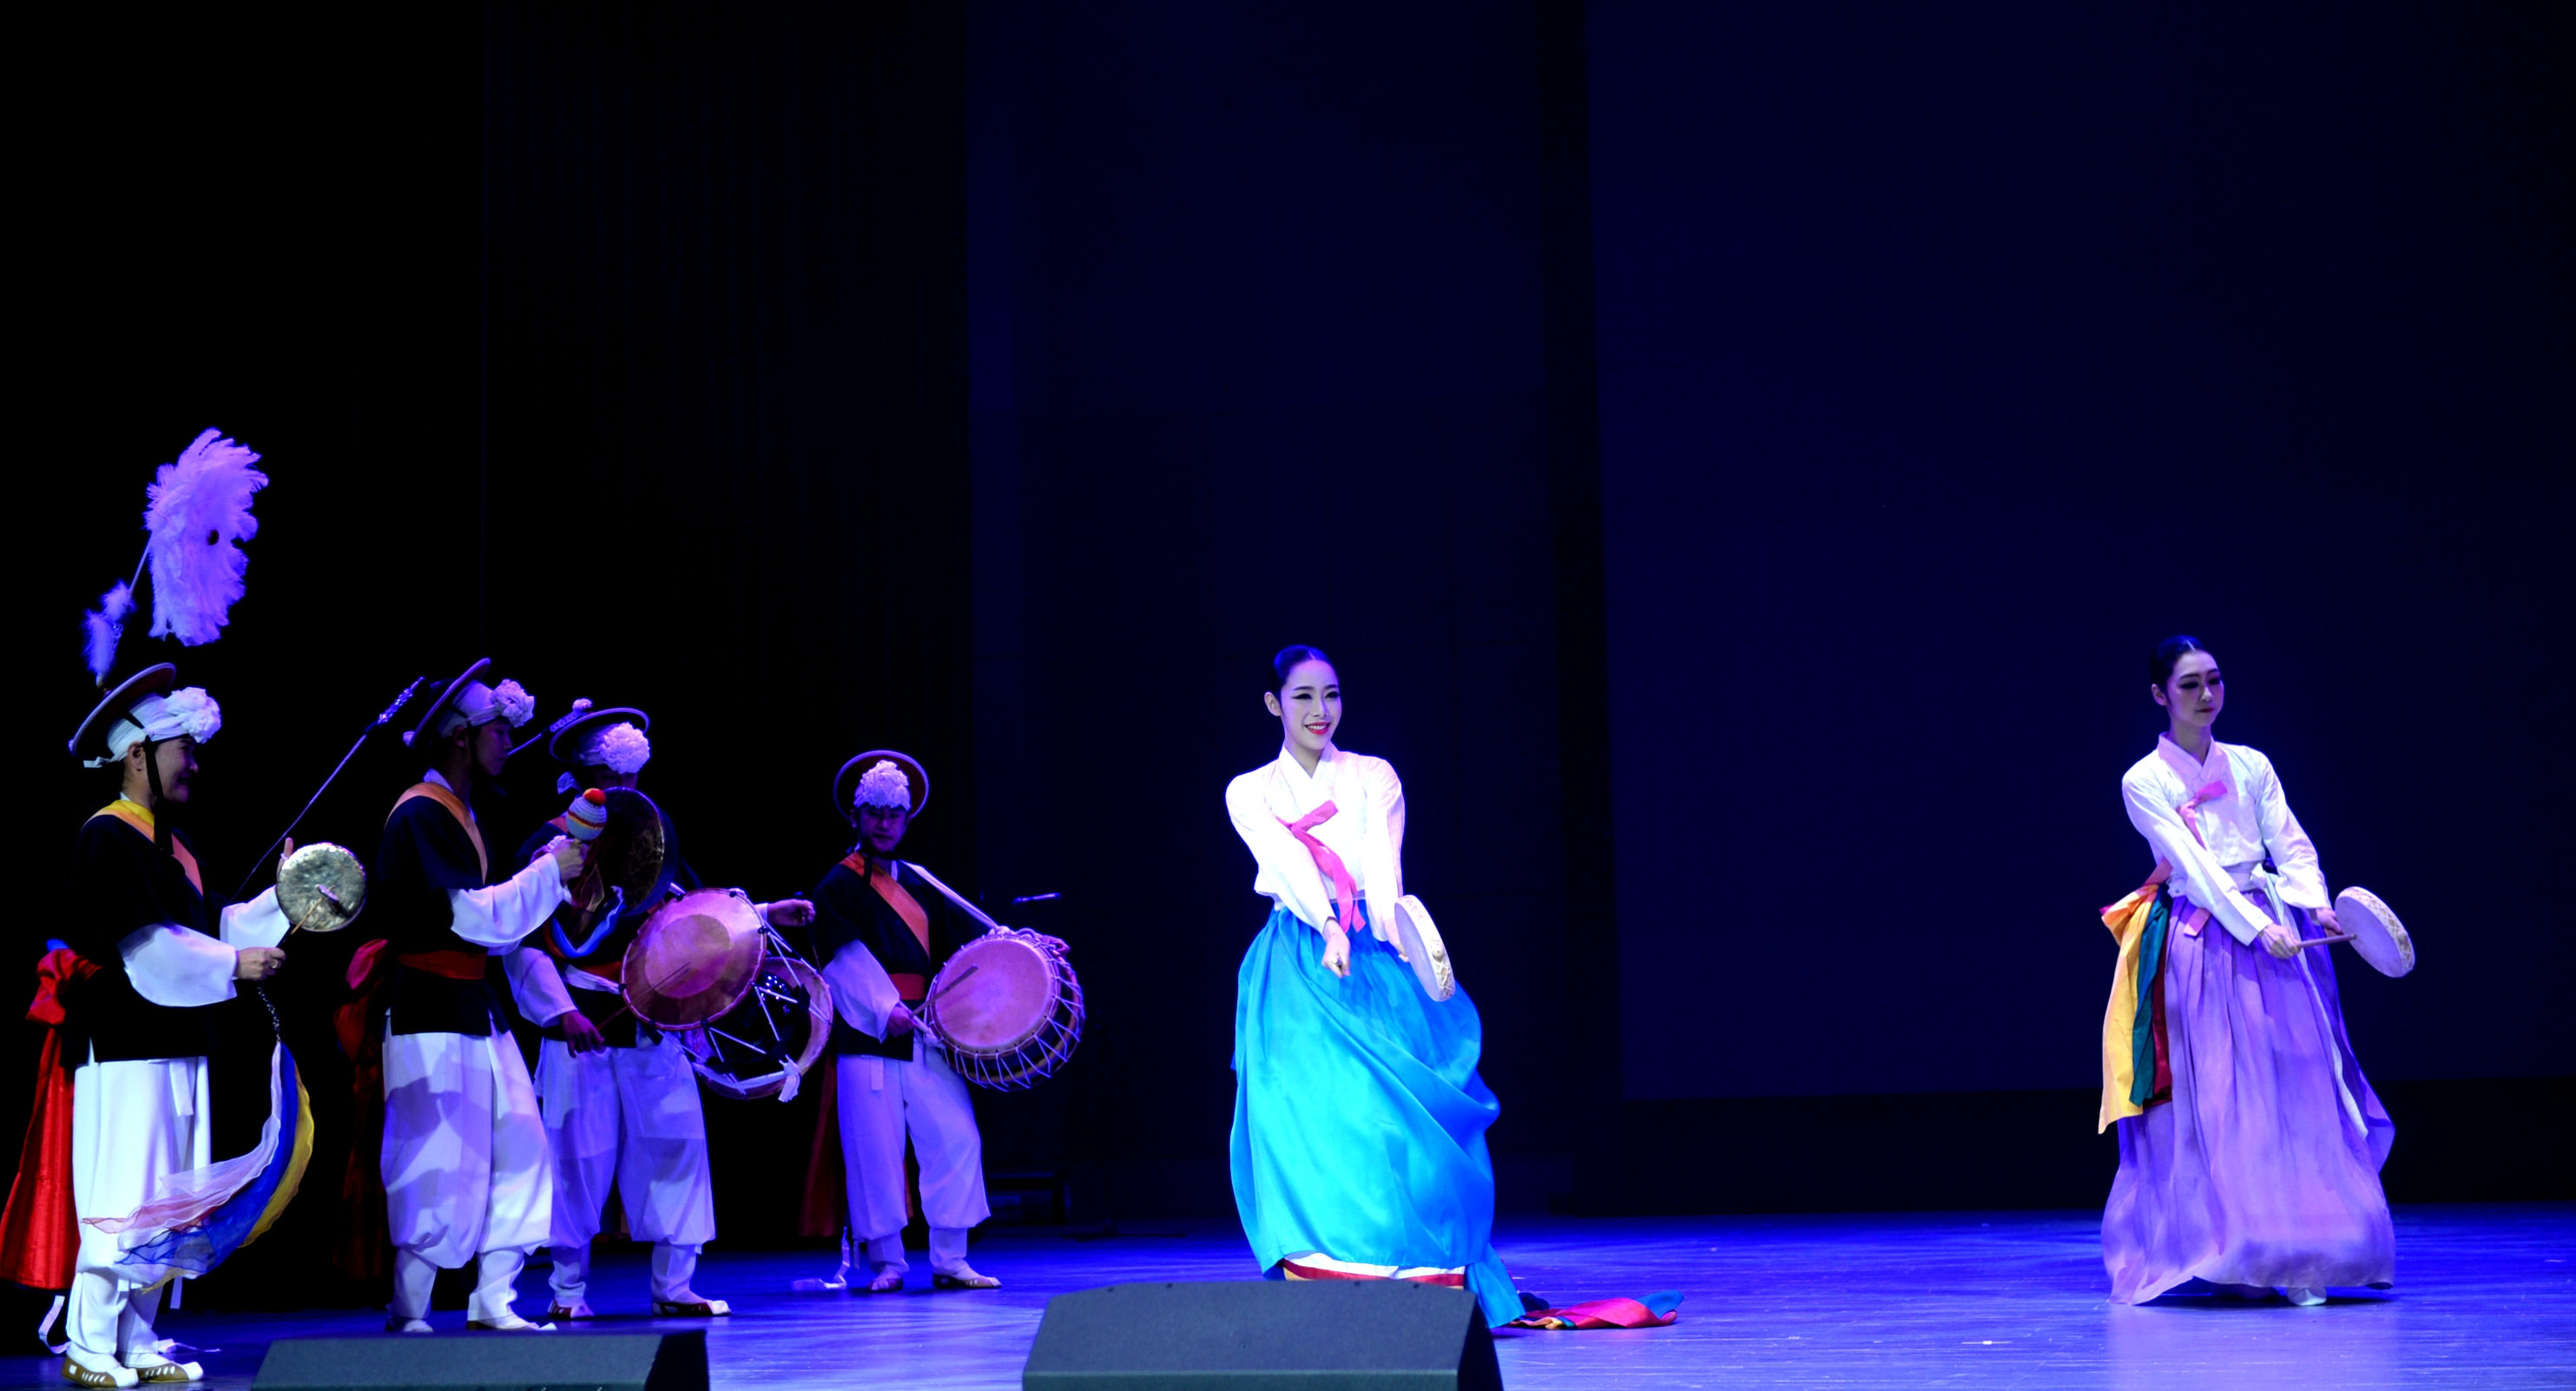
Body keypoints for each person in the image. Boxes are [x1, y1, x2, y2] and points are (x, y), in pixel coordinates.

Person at [1224, 645, 1519, 1328]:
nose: (1319, 710)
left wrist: (1397, 934)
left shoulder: (1372, 776)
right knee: (1302, 1114)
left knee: (1387, 1116)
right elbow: (1285, 862)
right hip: (1295, 960)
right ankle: (1321, 1271)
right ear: (1273, 704)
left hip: (1371, 954)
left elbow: (1383, 872)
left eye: (1330, 694)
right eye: (1302, 696)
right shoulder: (1249, 790)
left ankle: (1413, 1270)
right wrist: (1326, 924)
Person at [2099, 636, 2395, 1305]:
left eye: (2214, 680)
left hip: (2271, 925)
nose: (2206, 695)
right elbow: (2195, 869)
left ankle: (2303, 1255)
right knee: (2221, 1096)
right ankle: (2235, 1247)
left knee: (2293, 1085)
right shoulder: (2143, 780)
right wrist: (2256, 928)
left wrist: (2312, 904)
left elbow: (2288, 841)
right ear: (2159, 695)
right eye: (2189, 685)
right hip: (2207, 938)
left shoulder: (2251, 764)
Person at [504, 701, 813, 1320]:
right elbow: (524, 943)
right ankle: (568, 1294)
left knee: (676, 1147)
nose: (625, 789)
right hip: (584, 1028)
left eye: (632, 778)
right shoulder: (549, 847)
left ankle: (674, 1288)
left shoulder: (651, 839)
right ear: (584, 778)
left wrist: (763, 913)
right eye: (611, 779)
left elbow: (696, 916)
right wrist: (560, 1012)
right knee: (577, 1159)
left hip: (654, 1025)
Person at [47, 666, 289, 1387]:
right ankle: (89, 1340)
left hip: (179, 1040)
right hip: (125, 1044)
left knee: (171, 1197)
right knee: (126, 1189)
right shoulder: (107, 836)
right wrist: (232, 964)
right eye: (184, 749)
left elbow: (211, 926)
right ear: (138, 755)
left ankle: (138, 1337)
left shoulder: (170, 843)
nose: (194, 764)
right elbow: (147, 946)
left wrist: (286, 898)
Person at [364, 662, 586, 1332]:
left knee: (521, 1146)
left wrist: (545, 877)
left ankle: (494, 1298)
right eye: (498, 730)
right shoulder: (420, 812)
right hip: (429, 1004)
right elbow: (469, 917)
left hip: (473, 1005)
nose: (508, 741)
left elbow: (493, 926)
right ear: (460, 736)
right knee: (435, 1159)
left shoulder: (461, 812)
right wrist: (545, 873)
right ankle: (410, 1308)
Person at [801, 751, 998, 1293]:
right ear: (857, 816)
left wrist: (1023, 950)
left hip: (927, 1028)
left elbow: (973, 940)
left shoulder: (921, 881)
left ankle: (951, 1259)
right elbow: (841, 958)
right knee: (875, 1152)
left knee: (955, 1139)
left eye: (895, 814)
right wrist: (883, 1007)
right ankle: (888, 1263)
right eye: (875, 813)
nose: (885, 823)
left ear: (908, 820)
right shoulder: (836, 885)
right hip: (869, 1031)